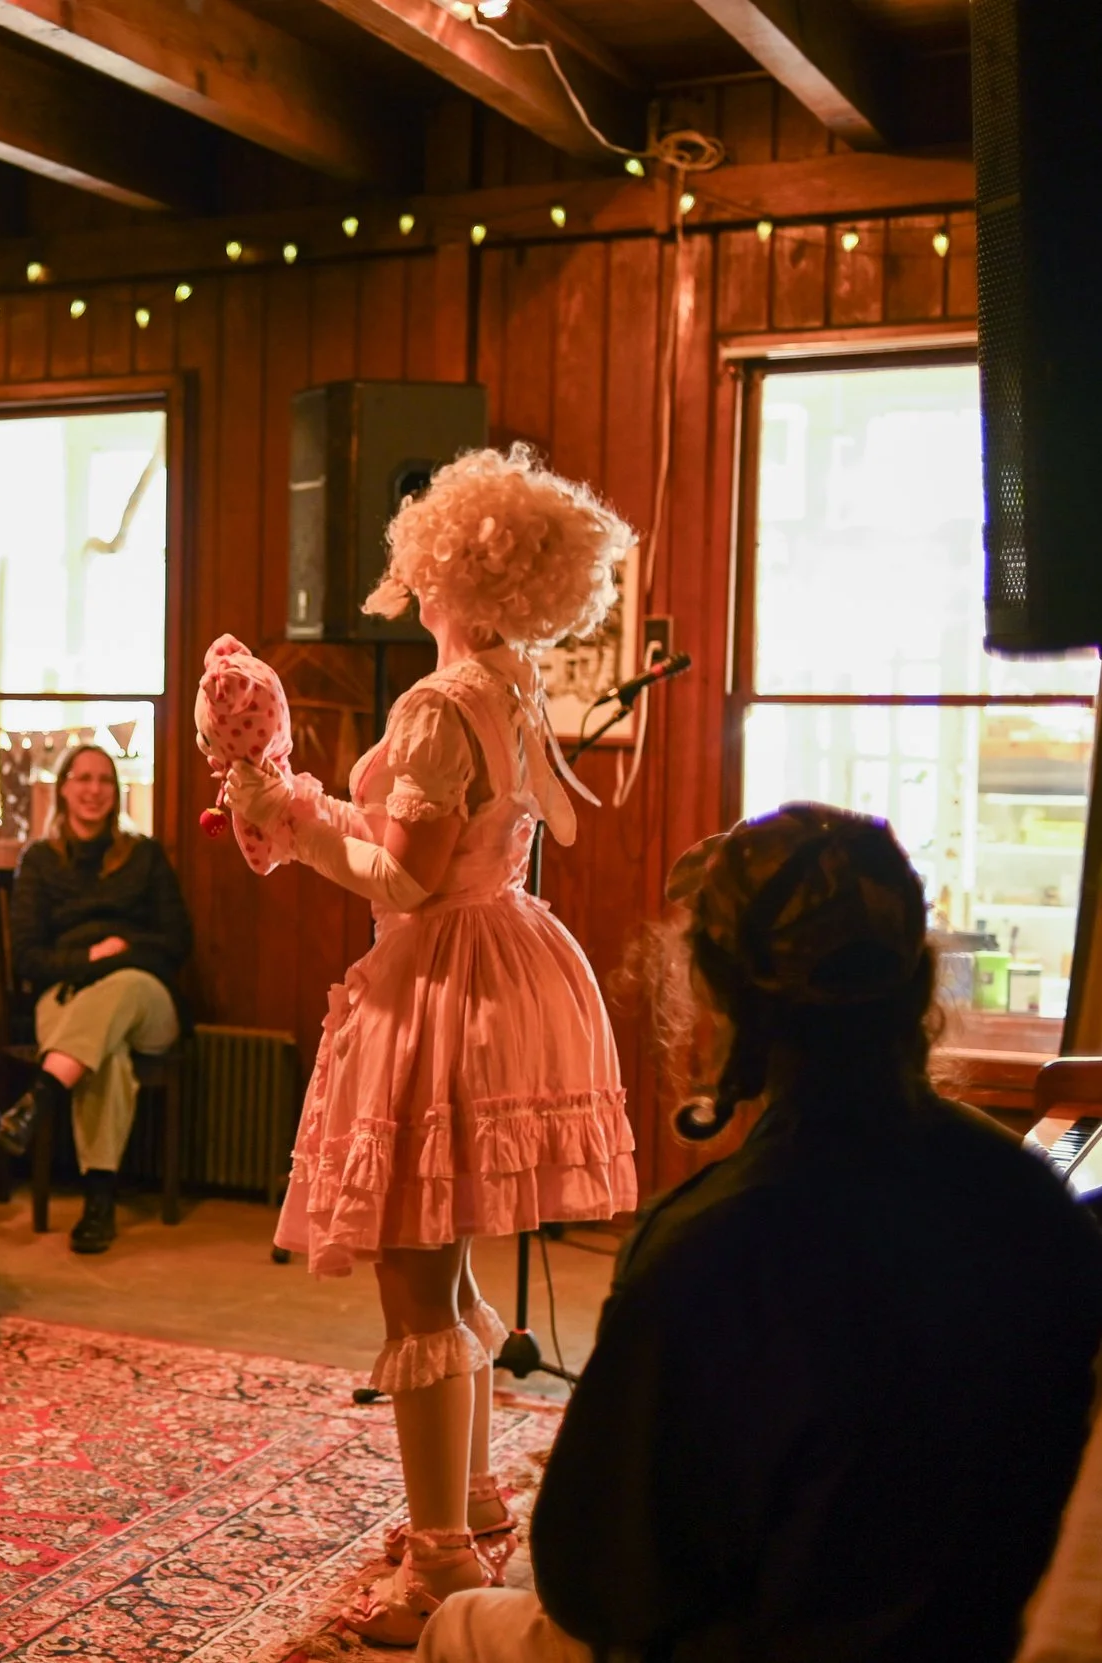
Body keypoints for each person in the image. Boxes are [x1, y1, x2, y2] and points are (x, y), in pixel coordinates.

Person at [417, 805, 1102, 1663]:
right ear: (915, 982)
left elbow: (592, 1581)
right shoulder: (1034, 1199)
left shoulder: (701, 1248)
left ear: (721, 998)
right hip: (996, 1639)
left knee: (458, 1623)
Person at [225, 445, 640, 1643]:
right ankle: (470, 1499)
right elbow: (436, 849)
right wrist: (312, 808)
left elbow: (401, 881)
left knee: (415, 1279)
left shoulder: (435, 703)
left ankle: (439, 1567)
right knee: (445, 1261)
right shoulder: (511, 682)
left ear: (445, 566)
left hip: (441, 983)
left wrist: (287, 814)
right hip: (506, 959)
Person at [0, 744, 190, 1254]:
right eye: (83, 778)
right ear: (63, 787)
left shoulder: (145, 855)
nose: (94, 790)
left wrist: (116, 957)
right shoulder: (39, 861)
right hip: (67, 999)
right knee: (109, 1056)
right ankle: (99, 1203)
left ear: (116, 791)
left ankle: (43, 1095)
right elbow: (29, 959)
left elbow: (176, 944)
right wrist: (91, 958)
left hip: (146, 998)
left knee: (122, 986)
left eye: (104, 780)